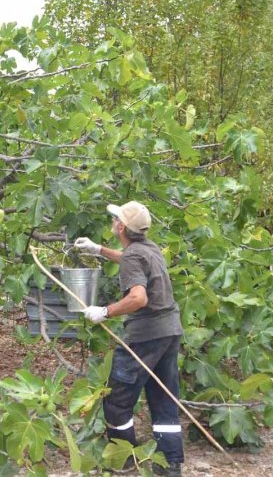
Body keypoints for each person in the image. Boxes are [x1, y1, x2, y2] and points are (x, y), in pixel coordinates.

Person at [74, 201, 184, 477]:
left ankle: (124, 461)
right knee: (163, 397)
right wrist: (97, 250)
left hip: (145, 337)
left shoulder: (135, 255)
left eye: (115, 219)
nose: (113, 221)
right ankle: (170, 465)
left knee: (117, 400)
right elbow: (129, 260)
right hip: (170, 331)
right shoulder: (148, 248)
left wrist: (105, 311)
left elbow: (138, 297)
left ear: (121, 227)